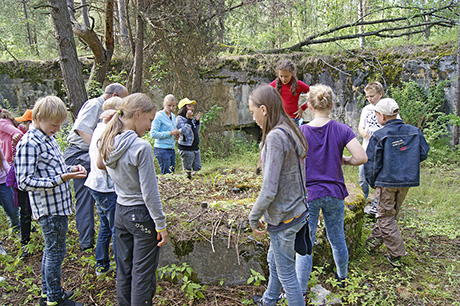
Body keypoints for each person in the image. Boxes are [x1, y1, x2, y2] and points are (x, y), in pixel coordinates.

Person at [295, 84, 368, 293]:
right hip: (334, 193)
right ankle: (341, 278)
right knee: (337, 238)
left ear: (308, 106)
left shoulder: (301, 131)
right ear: (332, 105)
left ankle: (300, 290)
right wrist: (344, 160)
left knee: (305, 243)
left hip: (308, 194)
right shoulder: (342, 129)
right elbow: (361, 156)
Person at [15, 96, 86, 306]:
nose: (56, 129)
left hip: (59, 205)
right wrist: (61, 178)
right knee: (56, 252)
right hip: (49, 208)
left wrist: (70, 170)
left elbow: (54, 168)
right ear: (38, 118)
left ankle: (49, 292)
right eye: (53, 124)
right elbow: (24, 181)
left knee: (52, 249)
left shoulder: (48, 138)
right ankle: (54, 299)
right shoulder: (30, 142)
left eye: (60, 125)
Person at [98, 93, 168, 306]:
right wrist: (161, 224)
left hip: (121, 212)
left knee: (124, 269)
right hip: (141, 215)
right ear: (138, 114)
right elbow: (149, 192)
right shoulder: (141, 147)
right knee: (142, 274)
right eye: (149, 119)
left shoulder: (109, 141)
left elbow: (101, 167)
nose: (149, 125)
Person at [248, 84, 308, 306]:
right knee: (274, 261)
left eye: (252, 111)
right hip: (298, 210)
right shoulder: (291, 127)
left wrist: (253, 217)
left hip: (285, 217)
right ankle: (269, 300)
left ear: (263, 109)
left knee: (287, 275)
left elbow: (269, 188)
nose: (252, 118)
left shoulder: (274, 137)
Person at [364, 98, 429, 267]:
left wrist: (373, 182)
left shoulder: (380, 135)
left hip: (386, 182)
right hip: (406, 181)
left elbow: (371, 163)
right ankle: (372, 243)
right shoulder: (414, 131)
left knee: (386, 217)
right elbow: (423, 153)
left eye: (377, 114)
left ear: (383, 116)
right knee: (388, 215)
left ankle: (396, 254)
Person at [65, 83, 128, 251]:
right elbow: (81, 129)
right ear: (115, 96)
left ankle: (98, 241)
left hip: (90, 154)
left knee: (99, 203)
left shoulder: (105, 113)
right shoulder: (95, 104)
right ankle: (86, 242)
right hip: (79, 154)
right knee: (85, 199)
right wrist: (99, 150)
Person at [84, 97, 123, 276]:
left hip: (96, 185)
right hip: (106, 188)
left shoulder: (98, 129)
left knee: (105, 226)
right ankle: (121, 267)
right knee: (116, 228)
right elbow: (102, 163)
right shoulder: (107, 131)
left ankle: (102, 265)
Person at [6, 109, 34, 257]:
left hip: (31, 180)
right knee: (25, 211)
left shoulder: (31, 138)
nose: (22, 125)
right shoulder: (21, 137)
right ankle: (25, 243)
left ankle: (29, 233)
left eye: (25, 123)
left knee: (29, 210)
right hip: (21, 180)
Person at [358, 81, 384, 215]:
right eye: (367, 96)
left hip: (382, 149)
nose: (370, 99)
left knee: (379, 178)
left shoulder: (387, 107)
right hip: (366, 147)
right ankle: (361, 203)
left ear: (380, 94)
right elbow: (361, 126)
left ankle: (376, 205)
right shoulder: (366, 109)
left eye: (372, 96)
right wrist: (363, 133)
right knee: (362, 176)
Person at [270, 60, 310, 125]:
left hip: (294, 119)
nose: (283, 79)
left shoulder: (298, 84)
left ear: (292, 74)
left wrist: (303, 108)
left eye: (286, 76)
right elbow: (264, 94)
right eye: (281, 76)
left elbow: (314, 96)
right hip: (278, 119)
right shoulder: (275, 84)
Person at [150, 94, 181, 174]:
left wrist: (176, 135)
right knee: (166, 174)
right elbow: (153, 134)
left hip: (171, 148)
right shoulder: (158, 116)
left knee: (172, 173)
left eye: (173, 106)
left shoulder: (173, 116)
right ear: (164, 103)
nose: (171, 108)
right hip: (161, 149)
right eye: (169, 105)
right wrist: (170, 133)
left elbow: (172, 130)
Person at [176, 98, 202, 179]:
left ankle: (197, 185)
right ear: (184, 108)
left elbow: (195, 131)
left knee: (198, 168)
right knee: (187, 171)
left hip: (195, 148)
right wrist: (189, 119)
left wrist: (197, 121)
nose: (192, 108)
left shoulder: (190, 118)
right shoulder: (179, 119)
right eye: (189, 106)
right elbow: (184, 132)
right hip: (186, 149)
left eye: (192, 106)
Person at [0, 148, 19, 233]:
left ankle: (17, 229)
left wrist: (11, 175)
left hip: (3, 182)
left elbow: (3, 160)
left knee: (12, 209)